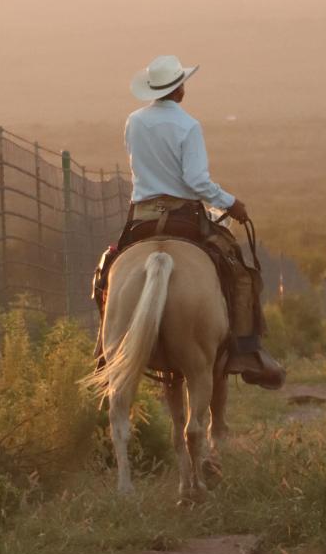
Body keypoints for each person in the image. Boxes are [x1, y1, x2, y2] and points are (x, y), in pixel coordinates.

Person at [109, 54, 285, 388]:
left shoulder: (133, 121)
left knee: (108, 272)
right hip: (183, 218)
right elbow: (196, 181)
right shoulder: (188, 125)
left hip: (142, 218)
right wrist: (231, 203)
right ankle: (246, 350)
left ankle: (106, 349)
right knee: (239, 271)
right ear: (180, 90)